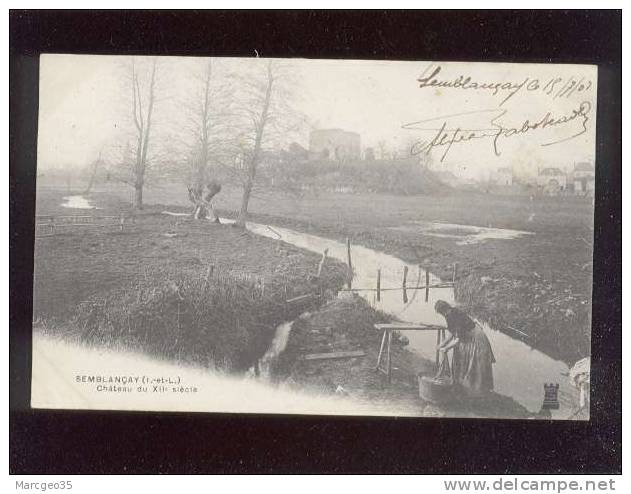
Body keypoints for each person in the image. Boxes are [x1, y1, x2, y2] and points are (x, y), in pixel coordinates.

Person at [434, 300, 495, 396]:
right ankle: (463, 388)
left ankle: (477, 393)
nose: (443, 314)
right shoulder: (449, 314)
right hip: (467, 338)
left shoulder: (455, 315)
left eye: (442, 312)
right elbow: (452, 333)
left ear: (445, 309)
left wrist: (446, 348)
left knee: (475, 365)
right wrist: (442, 344)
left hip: (476, 339)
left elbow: (458, 339)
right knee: (461, 360)